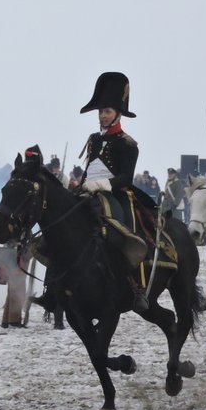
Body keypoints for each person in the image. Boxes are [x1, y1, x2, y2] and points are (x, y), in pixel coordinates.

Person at [76, 72, 153, 312]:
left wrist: (103, 185)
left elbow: (126, 178)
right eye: (100, 111)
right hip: (90, 192)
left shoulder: (127, 143)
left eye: (107, 111)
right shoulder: (94, 139)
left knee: (125, 234)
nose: (102, 115)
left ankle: (136, 286)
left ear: (118, 114)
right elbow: (90, 169)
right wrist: (82, 185)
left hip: (117, 195)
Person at [0, 239, 29, 329]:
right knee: (17, 290)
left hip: (11, 256)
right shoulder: (17, 229)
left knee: (12, 291)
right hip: (15, 257)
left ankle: (6, 321)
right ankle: (14, 321)